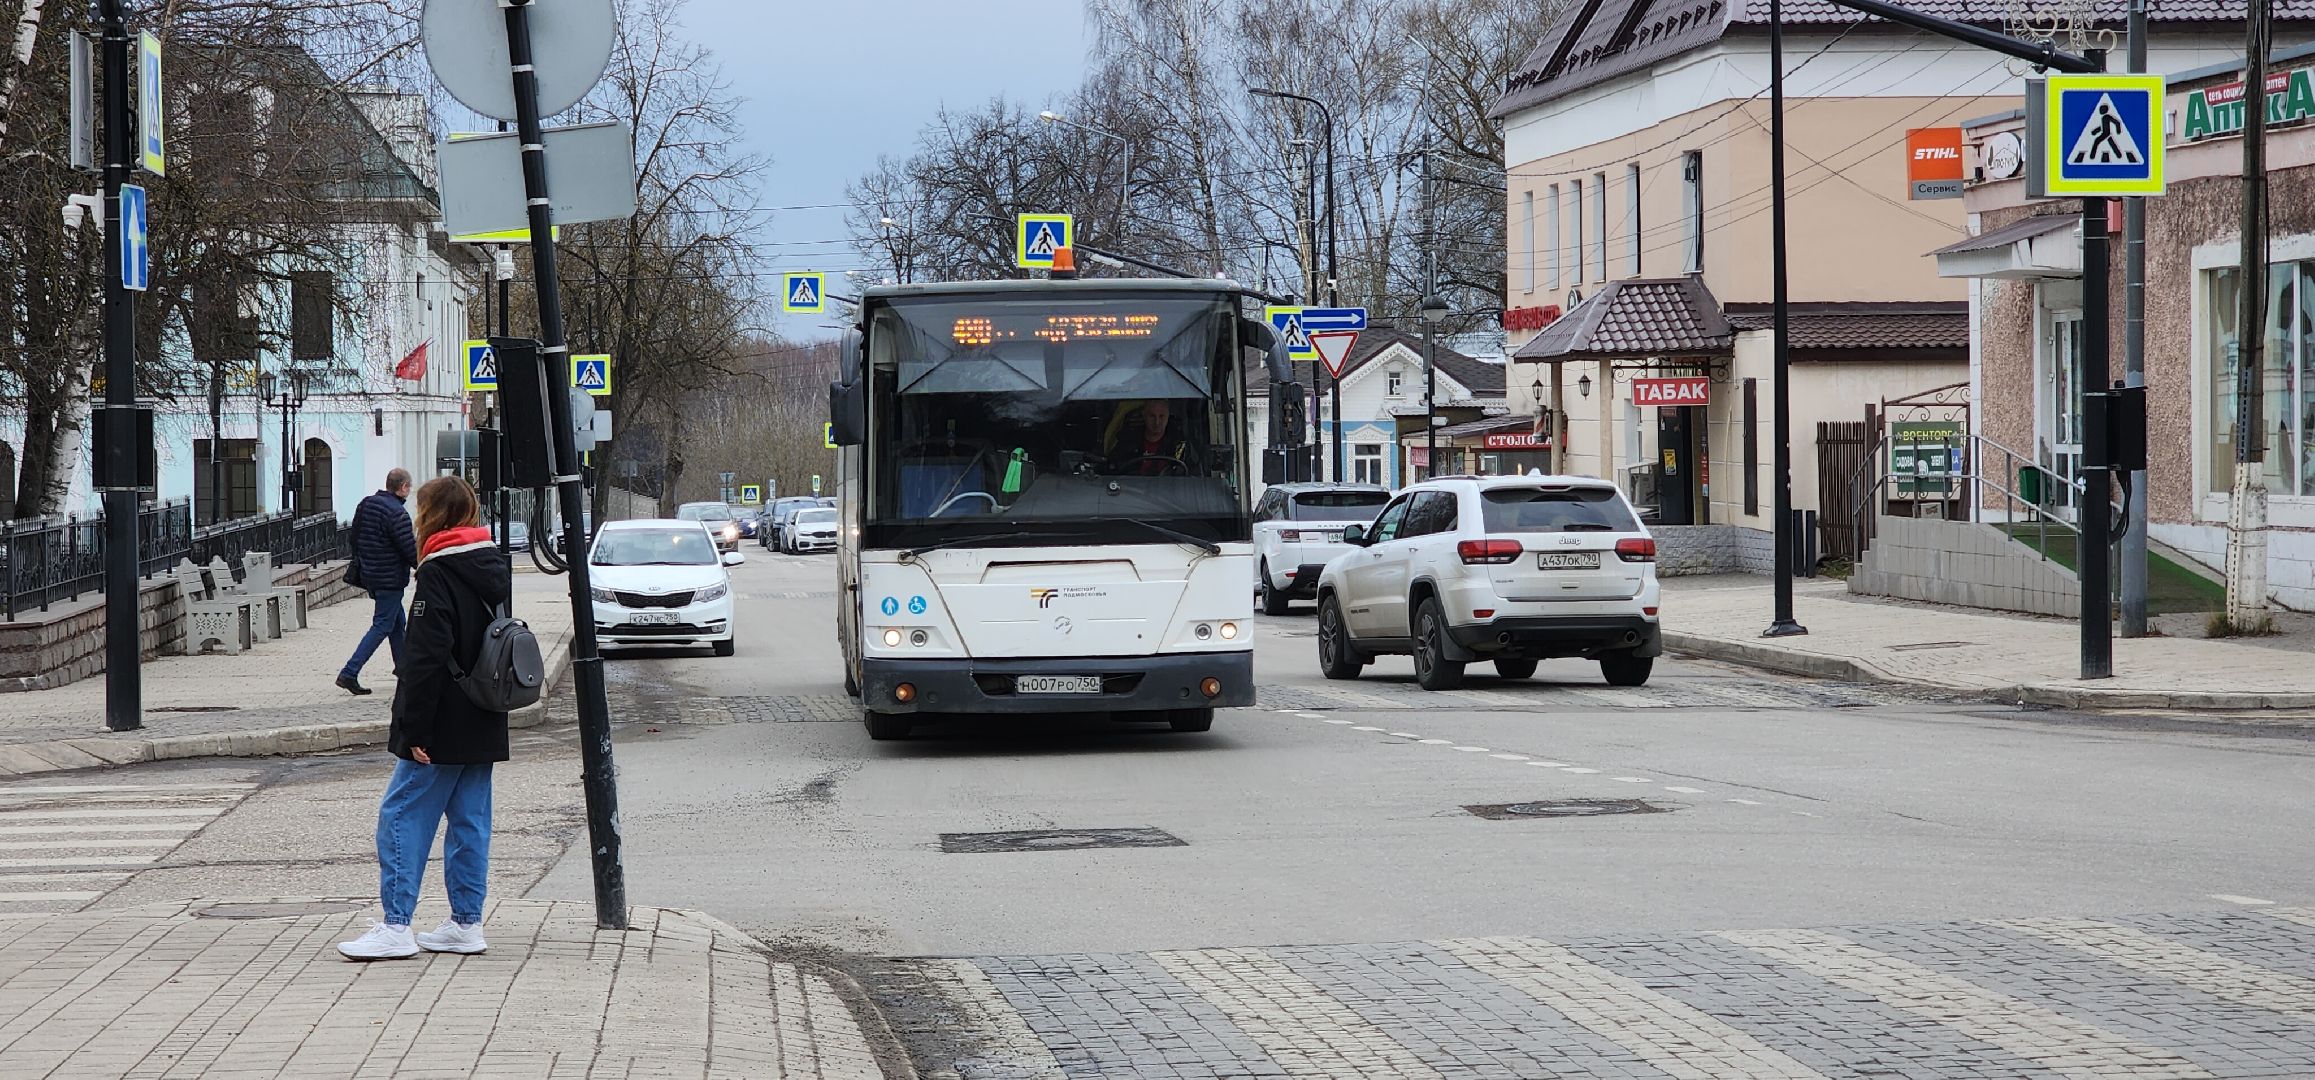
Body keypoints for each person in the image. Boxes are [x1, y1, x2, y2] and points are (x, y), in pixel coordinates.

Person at [337, 476, 512, 961]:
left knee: (401, 816)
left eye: (421, 509)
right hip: (483, 712)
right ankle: (466, 923)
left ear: (432, 515)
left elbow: (425, 659)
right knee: (469, 823)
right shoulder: (492, 564)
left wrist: (414, 730)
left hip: (441, 722)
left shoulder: (438, 571)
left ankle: (396, 926)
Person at [337, 468, 419, 695]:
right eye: (409, 488)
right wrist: (422, 567)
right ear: (402, 487)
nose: (409, 491)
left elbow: (354, 537)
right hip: (390, 577)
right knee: (383, 624)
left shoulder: (367, 504)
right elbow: (408, 549)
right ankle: (349, 672)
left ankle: (405, 670)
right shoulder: (397, 513)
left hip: (371, 574)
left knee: (396, 624)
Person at [1103, 399, 1193, 475]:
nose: (1157, 422)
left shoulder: (1180, 444)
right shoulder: (1127, 441)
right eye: (1152, 416)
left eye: (1161, 416)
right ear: (1144, 415)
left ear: (1168, 415)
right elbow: (1113, 469)